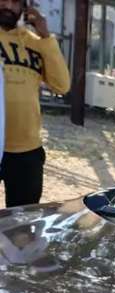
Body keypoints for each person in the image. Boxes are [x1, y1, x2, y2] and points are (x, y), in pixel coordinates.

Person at [0, 0, 70, 207]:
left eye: (16, 2)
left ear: (24, 9)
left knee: (22, 229)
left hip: (26, 149)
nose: (9, 6)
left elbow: (61, 85)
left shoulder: (36, 42)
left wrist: (46, 37)